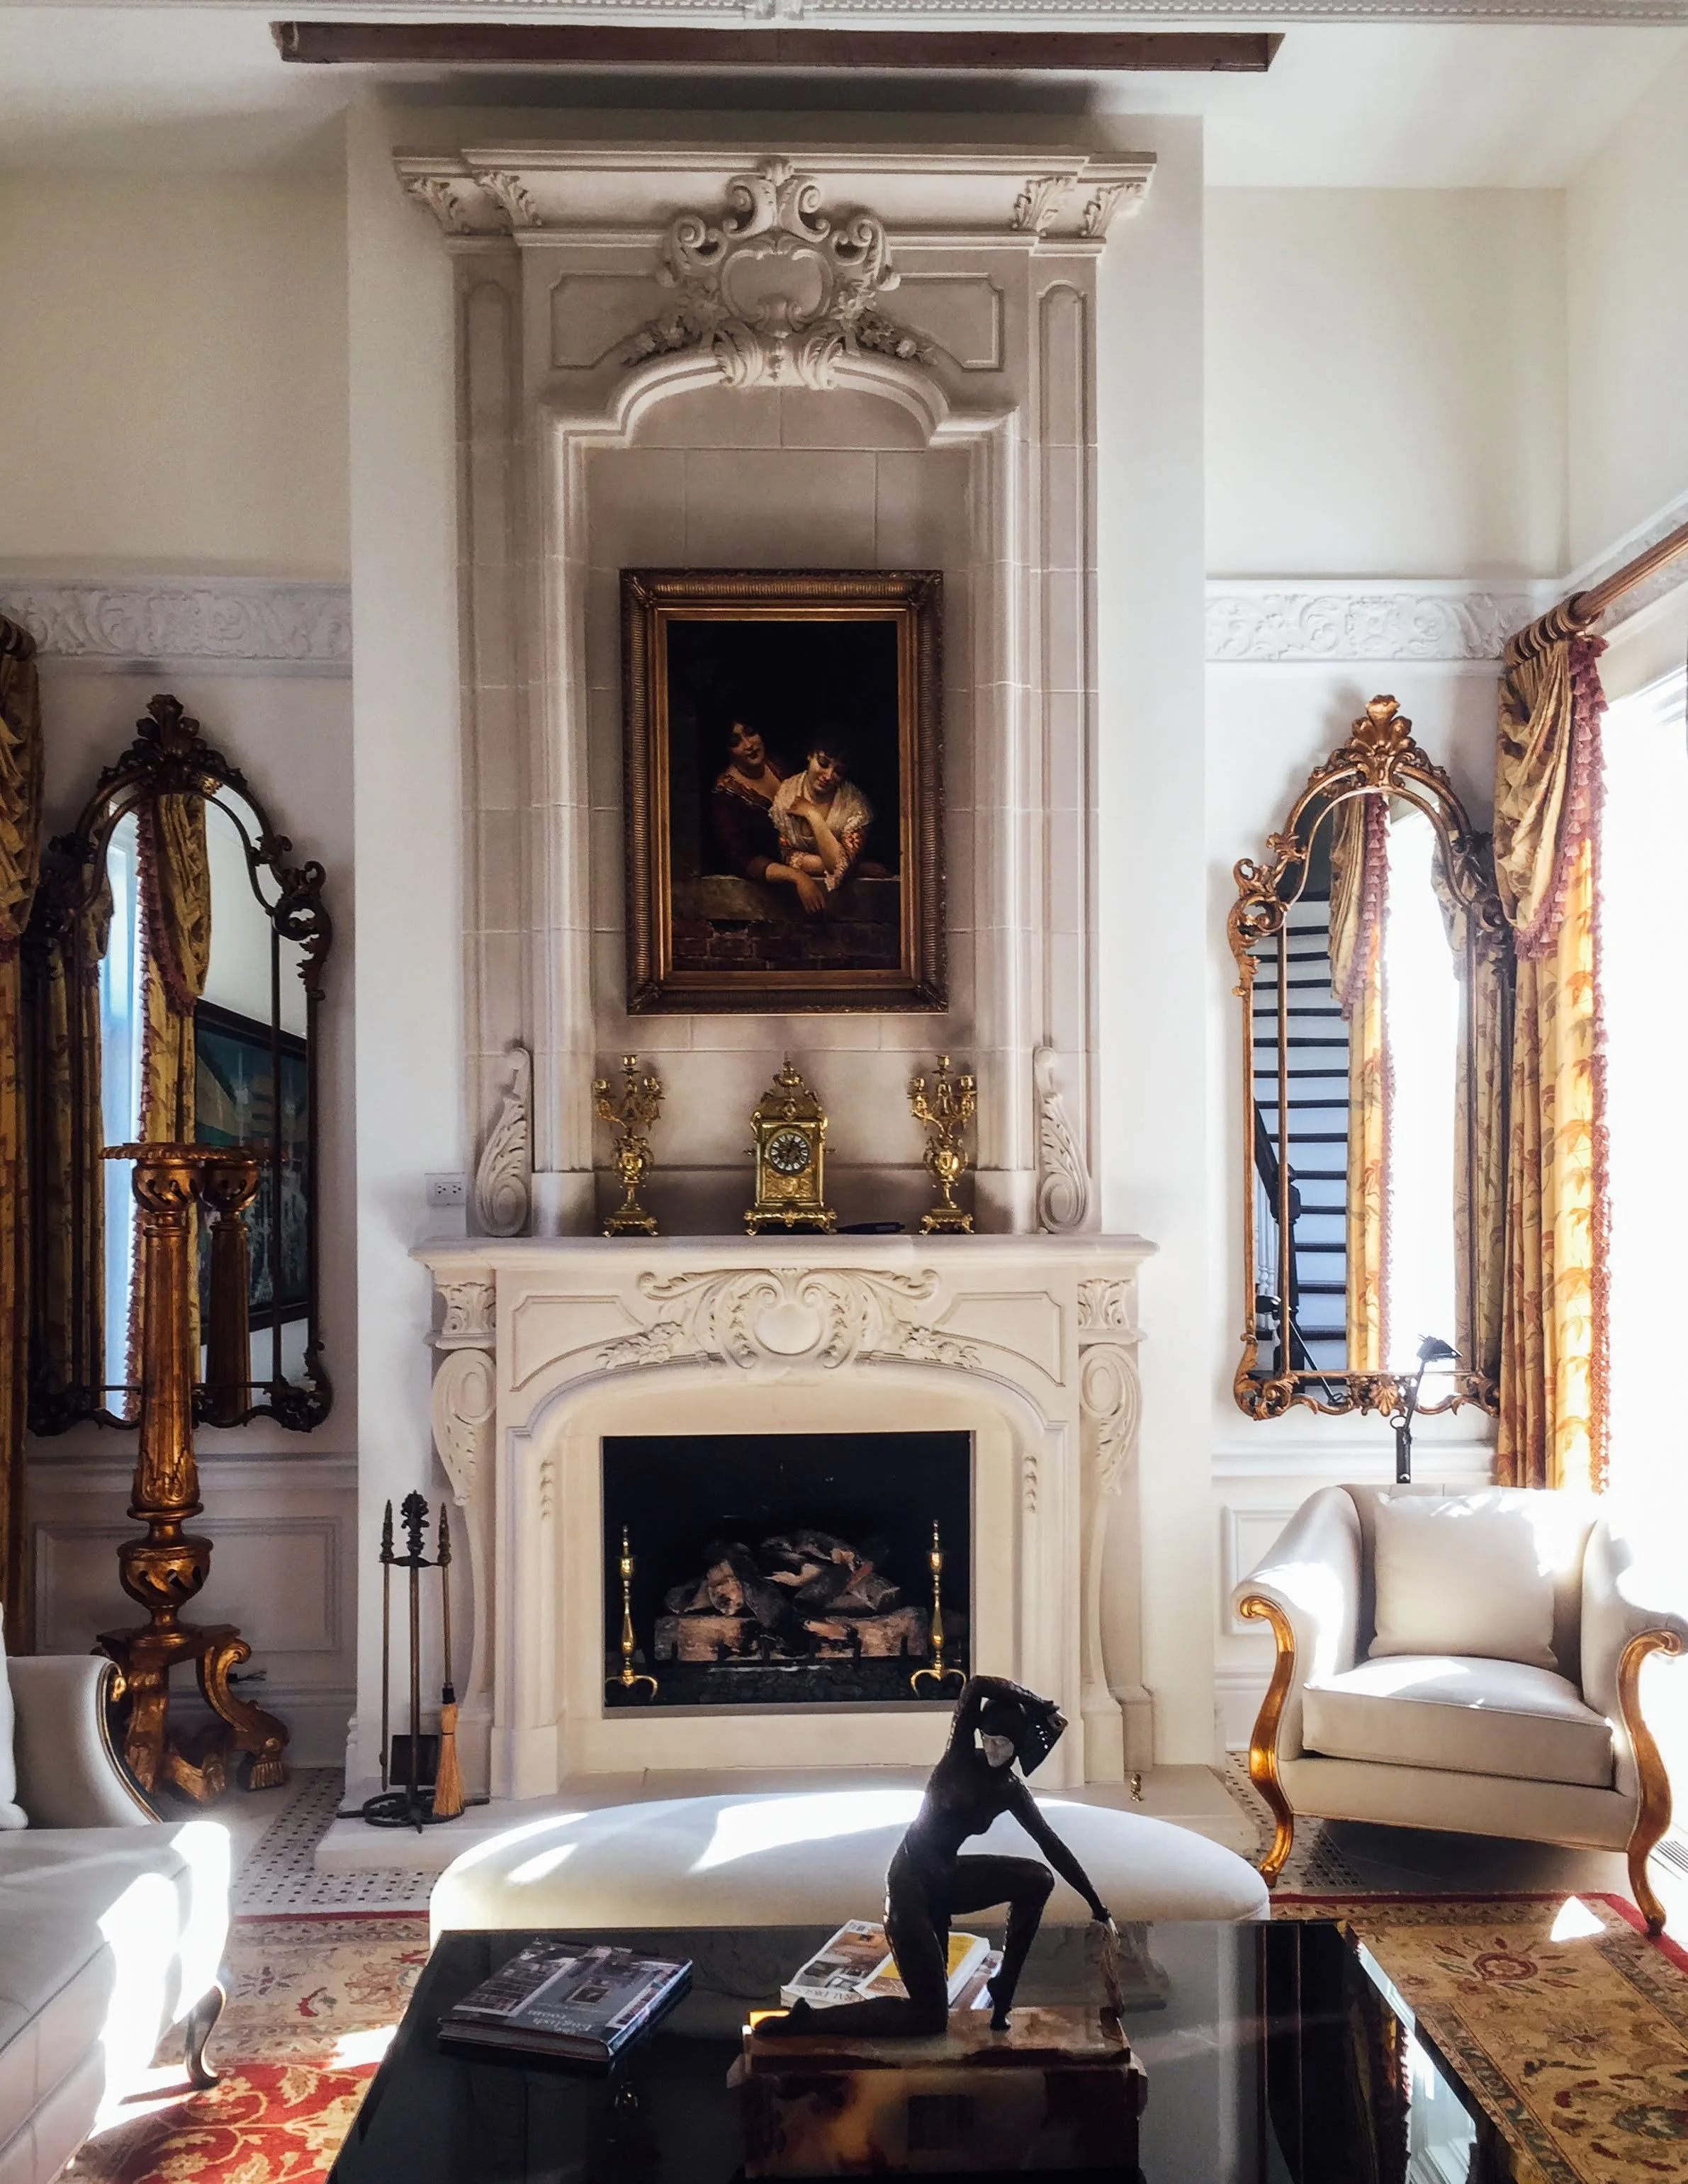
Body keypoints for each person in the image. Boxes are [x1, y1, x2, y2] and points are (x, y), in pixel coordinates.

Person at [757, 1675, 1111, 2037]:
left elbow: (1050, 1843)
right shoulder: (958, 1757)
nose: (991, 1749)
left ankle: (1003, 1987)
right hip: (910, 1886)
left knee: (1038, 1880)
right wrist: (1036, 1702)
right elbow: (976, 1686)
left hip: (947, 1879)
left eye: (1001, 1743)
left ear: (1018, 1745)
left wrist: (1098, 1907)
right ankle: (809, 2020)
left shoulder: (1010, 1791)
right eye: (986, 1738)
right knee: (929, 2018)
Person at [770, 743, 872, 906]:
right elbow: (788, 857)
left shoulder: (854, 804)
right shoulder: (787, 794)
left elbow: (837, 866)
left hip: (846, 901)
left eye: (838, 772)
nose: (828, 776)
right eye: (823, 764)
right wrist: (854, 868)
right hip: (790, 898)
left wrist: (813, 815)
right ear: (810, 756)